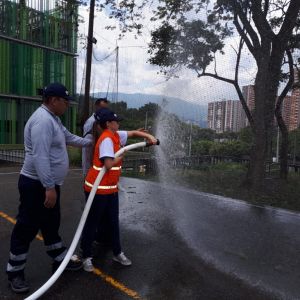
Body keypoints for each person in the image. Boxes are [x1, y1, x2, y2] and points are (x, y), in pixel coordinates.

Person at [6, 82, 92, 294]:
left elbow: (69, 137)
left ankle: (59, 259)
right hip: (36, 185)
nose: (67, 106)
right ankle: (15, 272)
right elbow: (39, 156)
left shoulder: (53, 118)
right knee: (26, 226)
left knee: (50, 222)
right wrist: (49, 187)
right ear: (53, 100)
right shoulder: (42, 121)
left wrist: (89, 141)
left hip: (48, 184)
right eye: (65, 102)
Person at [80, 108, 157, 272]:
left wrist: (148, 137)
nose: (119, 123)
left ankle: (117, 252)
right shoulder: (107, 139)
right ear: (108, 124)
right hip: (97, 189)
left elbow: (134, 133)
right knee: (92, 224)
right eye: (116, 120)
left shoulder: (116, 134)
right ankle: (86, 256)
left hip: (110, 189)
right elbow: (108, 164)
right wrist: (121, 156)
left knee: (113, 223)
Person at [82, 98, 109, 177]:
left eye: (106, 108)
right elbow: (89, 149)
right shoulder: (91, 122)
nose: (104, 111)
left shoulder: (101, 121)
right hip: (90, 167)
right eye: (102, 108)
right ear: (96, 107)